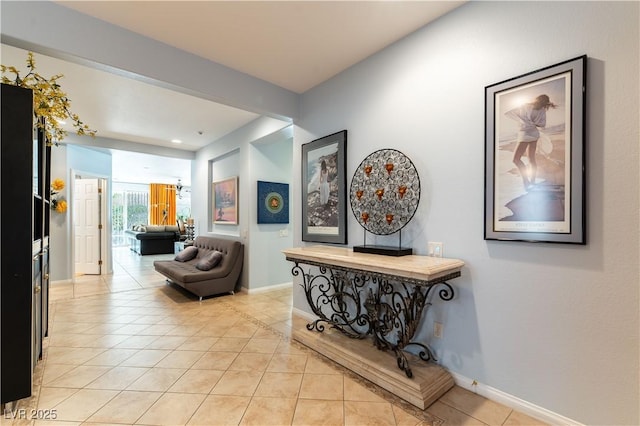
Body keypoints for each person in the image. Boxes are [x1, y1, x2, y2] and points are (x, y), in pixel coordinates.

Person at [505, 94, 556, 190]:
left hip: (525, 134)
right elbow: (542, 124)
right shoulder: (542, 110)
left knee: (516, 159)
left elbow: (512, 113)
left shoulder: (526, 106)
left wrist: (527, 122)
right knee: (531, 159)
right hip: (534, 134)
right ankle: (532, 181)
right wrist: (533, 123)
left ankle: (526, 181)